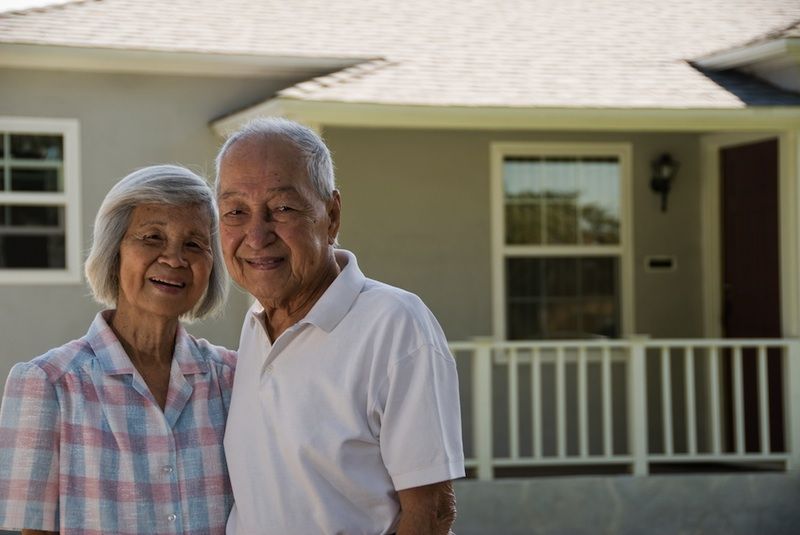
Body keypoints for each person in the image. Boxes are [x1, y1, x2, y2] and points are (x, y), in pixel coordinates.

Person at [217, 117, 465, 535]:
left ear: (331, 215)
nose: (256, 235)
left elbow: (432, 513)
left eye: (282, 208)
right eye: (235, 212)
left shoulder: (395, 324)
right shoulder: (257, 324)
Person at [0, 165, 236, 535]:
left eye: (193, 244)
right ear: (115, 251)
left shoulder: (236, 381)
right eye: (152, 237)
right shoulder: (48, 385)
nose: (174, 259)